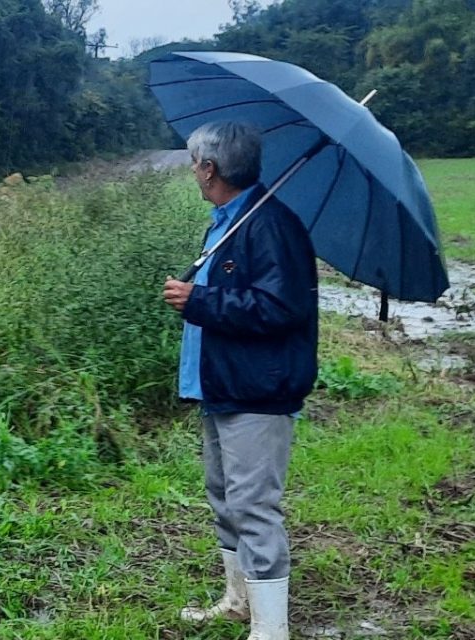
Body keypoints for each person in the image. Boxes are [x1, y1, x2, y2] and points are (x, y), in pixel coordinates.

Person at [161, 121, 318, 640]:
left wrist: (198, 301)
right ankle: (237, 601)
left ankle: (271, 630)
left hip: (259, 391)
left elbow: (282, 308)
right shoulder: (230, 220)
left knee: (253, 505)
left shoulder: (271, 225)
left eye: (194, 164)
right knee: (224, 496)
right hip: (224, 385)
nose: (192, 172)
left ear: (209, 168)